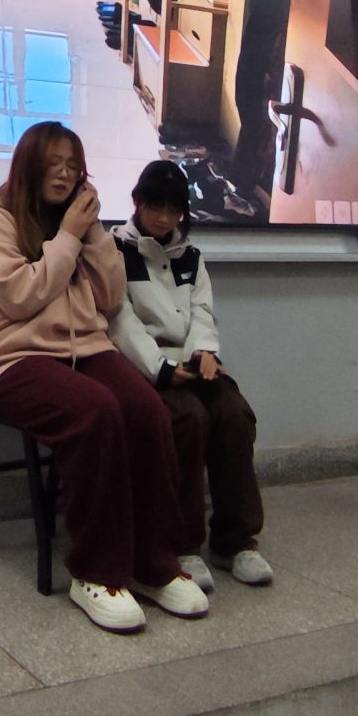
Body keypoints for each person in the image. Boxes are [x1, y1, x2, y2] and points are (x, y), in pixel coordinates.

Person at [0, 123, 209, 633]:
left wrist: (93, 233)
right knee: (95, 411)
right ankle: (96, 572)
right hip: (10, 361)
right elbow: (21, 297)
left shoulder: (81, 225)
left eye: (73, 166)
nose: (64, 174)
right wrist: (69, 237)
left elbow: (111, 299)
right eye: (53, 164)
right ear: (29, 167)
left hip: (84, 350)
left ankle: (154, 561)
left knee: (146, 408)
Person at [110, 162, 274, 591]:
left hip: (190, 361)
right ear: (137, 202)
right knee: (187, 419)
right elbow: (120, 320)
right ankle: (181, 545)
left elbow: (202, 311)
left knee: (234, 414)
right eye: (156, 206)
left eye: (174, 209)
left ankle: (235, 541)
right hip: (144, 367)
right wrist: (162, 370)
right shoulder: (115, 251)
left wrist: (204, 352)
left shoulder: (191, 256)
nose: (165, 218)